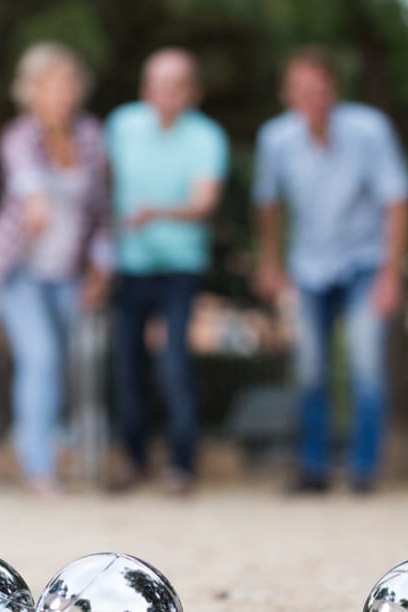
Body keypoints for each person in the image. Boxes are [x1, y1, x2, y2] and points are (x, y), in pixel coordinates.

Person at [253, 46, 408, 494]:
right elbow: (268, 205)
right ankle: (314, 469)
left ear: (334, 91)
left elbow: (397, 203)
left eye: (320, 89)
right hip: (309, 264)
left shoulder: (370, 131)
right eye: (302, 90)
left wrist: (391, 275)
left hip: (366, 261)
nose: (312, 99)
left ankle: (364, 471)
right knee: (310, 369)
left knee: (366, 363)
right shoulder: (276, 139)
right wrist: (269, 262)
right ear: (288, 94)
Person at [0, 42, 110, 497]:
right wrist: (35, 202)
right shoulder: (19, 137)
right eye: (50, 86)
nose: (61, 95)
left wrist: (101, 269)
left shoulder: (91, 137)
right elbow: (27, 182)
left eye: (68, 85)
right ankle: (39, 469)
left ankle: (38, 441)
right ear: (31, 92)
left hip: (66, 272)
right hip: (17, 270)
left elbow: (104, 211)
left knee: (68, 361)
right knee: (41, 357)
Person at [107, 47, 229, 495]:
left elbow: (204, 203)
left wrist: (154, 213)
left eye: (175, 85)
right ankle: (133, 459)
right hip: (131, 264)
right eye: (156, 84)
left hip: (181, 264)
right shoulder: (121, 125)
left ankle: (182, 464)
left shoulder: (207, 137)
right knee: (128, 365)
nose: (165, 94)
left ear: (192, 92)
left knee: (174, 363)